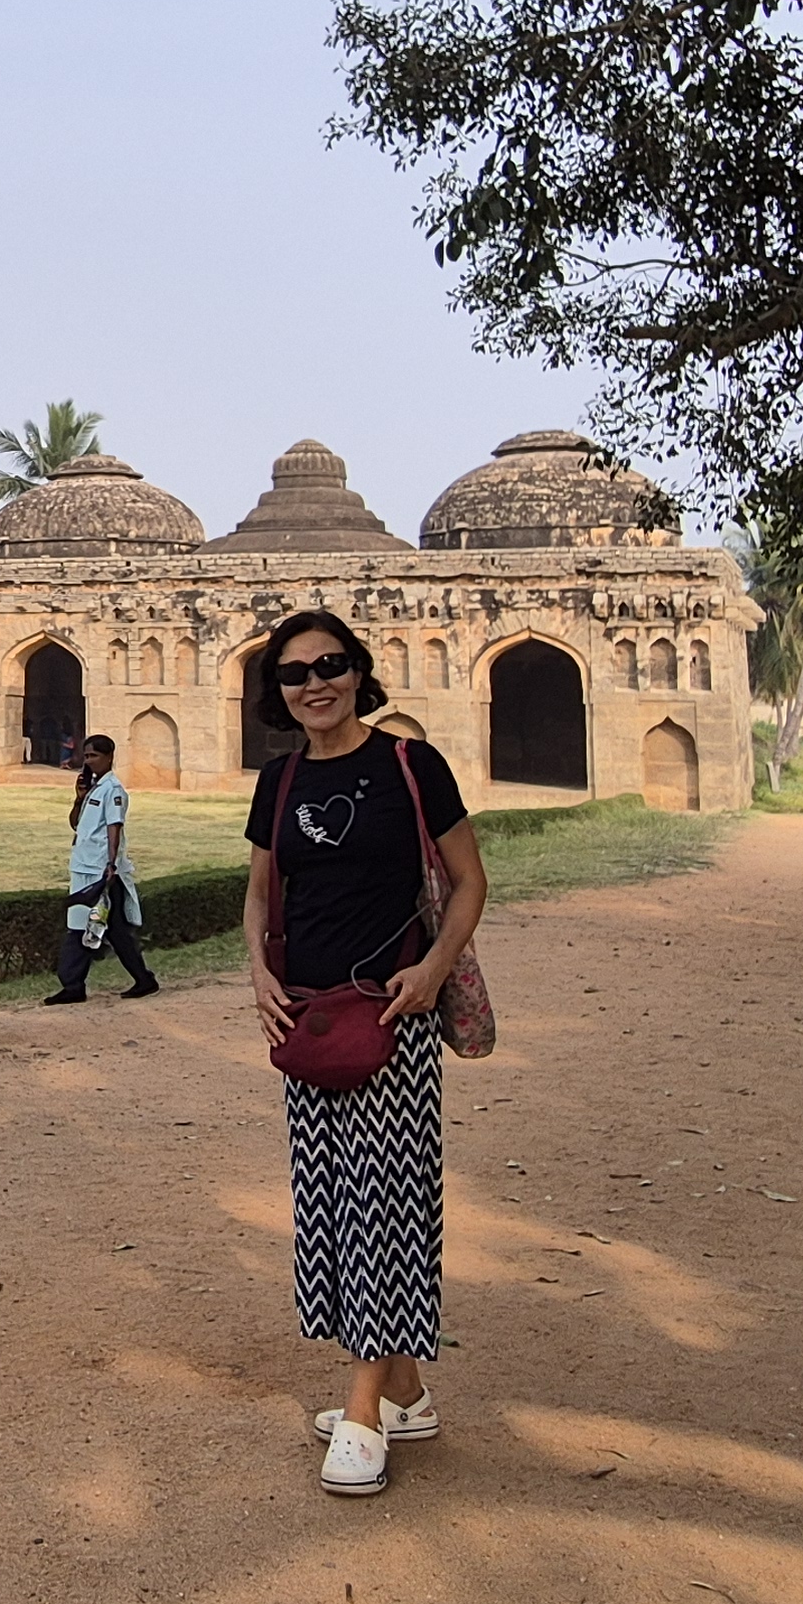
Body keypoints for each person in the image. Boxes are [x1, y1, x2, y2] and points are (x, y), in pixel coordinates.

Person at [243, 608, 486, 1500]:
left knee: (383, 1207)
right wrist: (258, 974)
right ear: (277, 689)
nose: (315, 683)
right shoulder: (281, 781)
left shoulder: (410, 765)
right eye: (295, 672)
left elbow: (469, 881)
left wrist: (433, 968)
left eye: (330, 665)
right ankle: (405, 1395)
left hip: (391, 1018)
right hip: (306, 1020)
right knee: (330, 1207)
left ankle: (360, 1413)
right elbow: (260, 891)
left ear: (358, 672)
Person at [45, 734, 156, 1003]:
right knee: (95, 927)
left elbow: (114, 827)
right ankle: (137, 980)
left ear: (109, 757)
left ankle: (76, 985)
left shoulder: (113, 789)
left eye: (94, 755)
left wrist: (111, 863)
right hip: (84, 866)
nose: (89, 761)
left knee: (95, 927)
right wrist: (79, 798)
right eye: (86, 756)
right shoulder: (94, 789)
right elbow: (76, 823)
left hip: (101, 870)